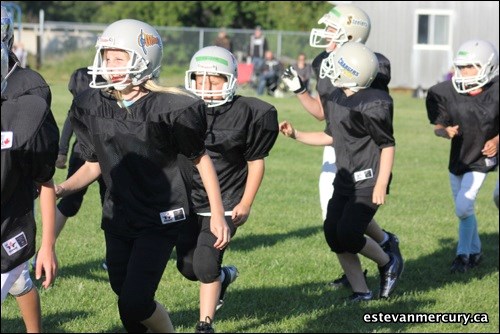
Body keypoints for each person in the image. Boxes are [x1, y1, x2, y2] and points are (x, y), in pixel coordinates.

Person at [54, 19, 230, 333]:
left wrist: (217, 214)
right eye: (106, 57)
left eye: (118, 58)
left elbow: (200, 159)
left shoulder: (170, 108)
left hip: (160, 217)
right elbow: (95, 163)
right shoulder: (93, 104)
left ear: (144, 60)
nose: (109, 65)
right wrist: (63, 187)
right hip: (119, 214)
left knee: (135, 302)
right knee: (125, 297)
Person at [281, 3, 401, 289]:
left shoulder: (373, 64)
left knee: (348, 222)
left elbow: (366, 118)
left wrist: (381, 178)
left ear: (352, 35)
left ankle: (383, 250)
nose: (325, 34)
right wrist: (300, 91)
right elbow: (326, 115)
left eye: (332, 30)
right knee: (333, 222)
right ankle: (359, 275)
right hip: (336, 142)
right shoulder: (324, 62)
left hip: (363, 150)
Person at [178, 45, 279, 333]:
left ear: (231, 80)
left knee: (206, 264)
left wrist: (246, 202)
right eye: (200, 78)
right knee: (188, 267)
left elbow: (256, 163)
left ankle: (205, 324)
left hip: (227, 199)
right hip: (188, 198)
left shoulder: (249, 113)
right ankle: (224, 277)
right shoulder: (182, 108)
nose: (205, 86)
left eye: (215, 79)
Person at [2, 7, 58, 333]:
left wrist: (48, 244)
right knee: (19, 279)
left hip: (11, 209)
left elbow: (42, 174)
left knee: (16, 271)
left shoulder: (28, 88)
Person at [425, 39, 499, 273]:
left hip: (482, 158)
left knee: (463, 206)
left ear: (488, 66)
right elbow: (438, 126)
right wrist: (444, 131)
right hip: (459, 157)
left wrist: (496, 140)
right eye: (462, 67)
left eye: (471, 66)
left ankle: (462, 256)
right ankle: (475, 252)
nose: (465, 72)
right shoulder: (444, 92)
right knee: (464, 209)